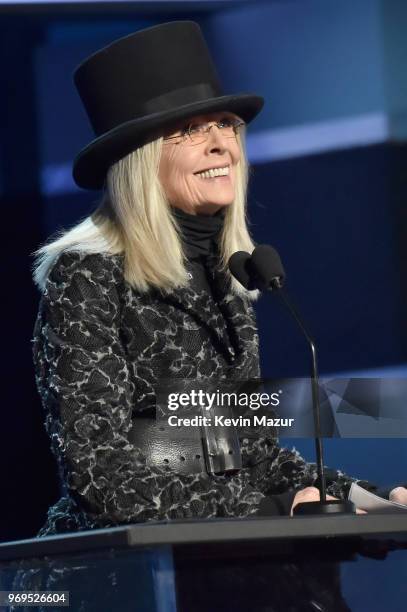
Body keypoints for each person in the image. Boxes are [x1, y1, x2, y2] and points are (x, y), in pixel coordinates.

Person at [25, 20, 406, 611]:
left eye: (225, 125)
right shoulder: (87, 276)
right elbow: (103, 474)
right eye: (189, 130)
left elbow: (245, 449)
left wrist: (365, 501)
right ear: (141, 160)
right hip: (129, 582)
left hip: (243, 569)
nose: (220, 143)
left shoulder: (230, 275)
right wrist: (270, 513)